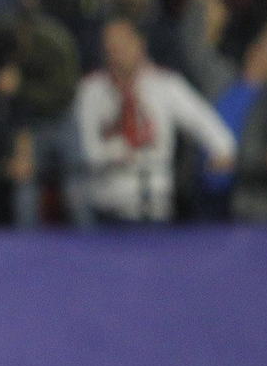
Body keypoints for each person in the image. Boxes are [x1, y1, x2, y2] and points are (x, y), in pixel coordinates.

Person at [73, 17, 236, 223]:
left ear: (140, 44)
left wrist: (222, 150)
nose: (116, 52)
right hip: (108, 207)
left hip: (156, 204)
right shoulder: (91, 91)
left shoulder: (165, 85)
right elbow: (85, 150)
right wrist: (118, 152)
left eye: (122, 44)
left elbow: (207, 124)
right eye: (111, 46)